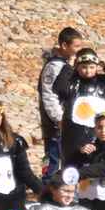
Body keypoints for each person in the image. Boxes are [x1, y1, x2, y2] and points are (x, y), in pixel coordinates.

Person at [39, 27, 81, 173]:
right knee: (52, 158)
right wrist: (58, 118)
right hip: (55, 125)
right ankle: (46, 187)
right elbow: (49, 94)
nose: (78, 49)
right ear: (64, 46)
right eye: (76, 46)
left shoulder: (69, 64)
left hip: (70, 122)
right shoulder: (53, 66)